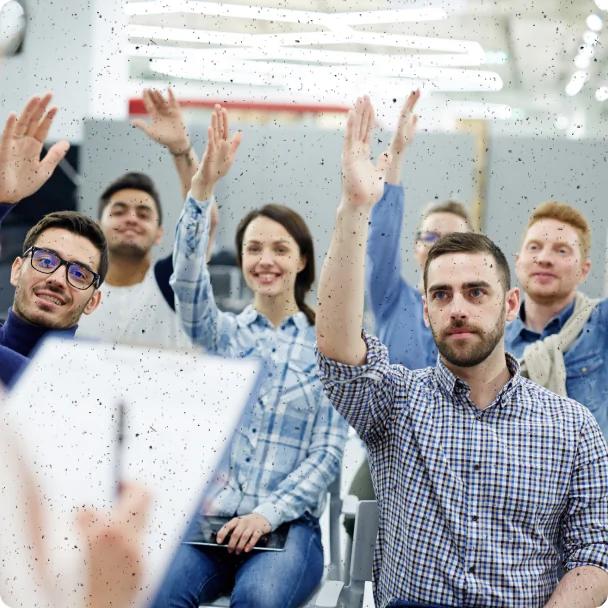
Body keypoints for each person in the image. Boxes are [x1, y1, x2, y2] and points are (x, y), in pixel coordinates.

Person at [316, 96, 608, 608]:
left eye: (476, 293)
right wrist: (355, 208)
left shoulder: (573, 428)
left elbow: (595, 550)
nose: (458, 308)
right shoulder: (397, 404)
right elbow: (339, 350)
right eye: (441, 295)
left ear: (509, 303)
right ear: (424, 308)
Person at [155, 104, 348, 608]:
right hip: (210, 526)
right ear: (240, 259)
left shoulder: (328, 347)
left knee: (258, 602)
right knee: (155, 594)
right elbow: (187, 280)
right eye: (254, 248)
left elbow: (327, 454)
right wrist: (202, 188)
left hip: (285, 529)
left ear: (302, 259)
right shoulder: (221, 336)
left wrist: (267, 513)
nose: (266, 260)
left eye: (280, 249)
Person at [77, 88, 211, 349]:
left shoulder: (173, 281)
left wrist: (181, 150)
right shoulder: (76, 290)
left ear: (159, 232)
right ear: (99, 228)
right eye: (118, 211)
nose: (131, 219)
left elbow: (204, 219)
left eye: (143, 213)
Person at [0, 93, 107, 386]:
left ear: (93, 301)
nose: (58, 278)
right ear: (16, 269)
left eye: (79, 273)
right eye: (45, 260)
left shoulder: (97, 377)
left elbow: (43, 387)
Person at [367, 89, 473, 369]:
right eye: (431, 237)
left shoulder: (481, 312)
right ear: (417, 248)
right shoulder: (392, 298)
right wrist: (397, 155)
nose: (441, 247)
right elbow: (382, 238)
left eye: (454, 240)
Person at [507, 201, 608, 435]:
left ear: (584, 269)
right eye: (534, 247)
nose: (544, 258)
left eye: (561, 250)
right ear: (518, 260)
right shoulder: (492, 341)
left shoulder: (601, 326)